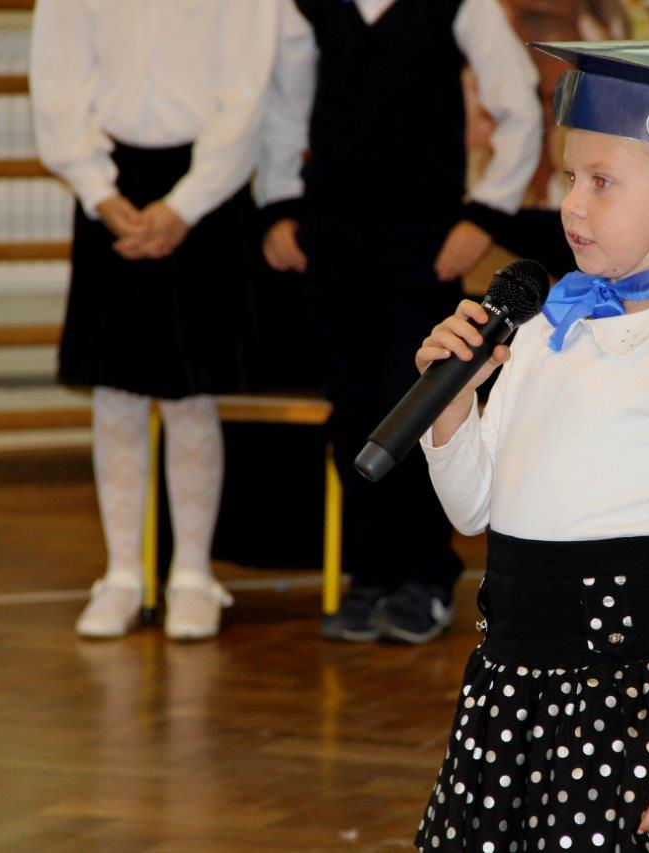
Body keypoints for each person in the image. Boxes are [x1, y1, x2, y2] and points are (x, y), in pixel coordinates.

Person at [411, 34, 649, 849]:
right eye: (568, 178)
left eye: (601, 181)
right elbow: (476, 508)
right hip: (511, 685)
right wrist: (450, 411)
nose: (572, 205)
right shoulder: (547, 326)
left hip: (627, 700)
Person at [256, 0, 542, 645]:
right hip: (333, 237)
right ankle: (371, 575)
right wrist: (278, 204)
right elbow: (283, 107)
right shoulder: (309, 7)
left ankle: (424, 575)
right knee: (352, 408)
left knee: (412, 398)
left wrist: (486, 214)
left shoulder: (457, 5)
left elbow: (518, 104)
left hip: (423, 239)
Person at [30, 0, 280, 641]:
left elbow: (245, 90)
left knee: (191, 393)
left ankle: (191, 574)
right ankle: (122, 573)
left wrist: (187, 204)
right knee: (115, 391)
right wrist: (97, 190)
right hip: (112, 182)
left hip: (207, 184)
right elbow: (58, 76)